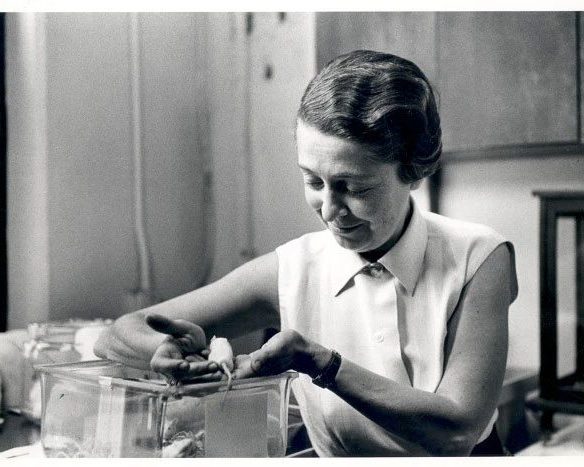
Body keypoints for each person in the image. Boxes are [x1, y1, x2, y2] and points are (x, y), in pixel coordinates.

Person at [94, 50, 518, 457]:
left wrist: (319, 362)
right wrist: (165, 353)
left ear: (414, 171)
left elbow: (457, 432)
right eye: (313, 182)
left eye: (355, 187)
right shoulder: (296, 267)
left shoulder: (477, 257)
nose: (330, 211)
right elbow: (116, 335)